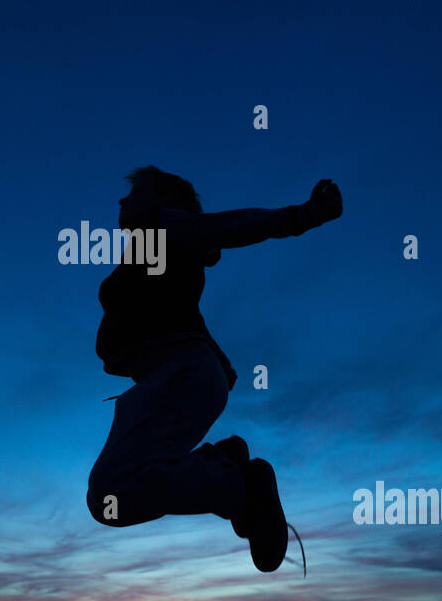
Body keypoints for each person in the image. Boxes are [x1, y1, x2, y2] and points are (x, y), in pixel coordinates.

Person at [85, 166, 343, 574]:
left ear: (160, 203)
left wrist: (302, 215)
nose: (121, 203)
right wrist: (217, 360)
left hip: (181, 375)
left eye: (132, 195)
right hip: (175, 378)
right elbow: (180, 310)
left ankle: (239, 487)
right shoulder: (148, 248)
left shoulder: (164, 228)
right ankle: (228, 466)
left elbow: (233, 226)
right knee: (116, 490)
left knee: (111, 492)